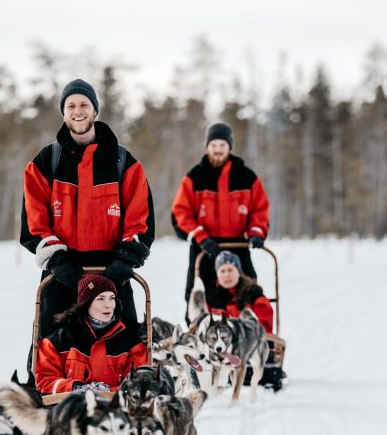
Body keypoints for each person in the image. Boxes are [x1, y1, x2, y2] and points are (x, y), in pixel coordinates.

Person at [20, 78, 154, 338]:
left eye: (84, 104)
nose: (77, 111)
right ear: (63, 112)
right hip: (62, 276)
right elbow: (34, 221)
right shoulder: (46, 162)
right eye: (70, 106)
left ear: (95, 110)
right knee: (51, 350)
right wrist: (57, 261)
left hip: (113, 276)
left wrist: (123, 262)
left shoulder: (123, 162)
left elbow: (140, 220)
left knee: (124, 351)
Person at [171, 121, 270, 310]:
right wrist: (201, 237)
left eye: (222, 145)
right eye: (213, 145)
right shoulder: (195, 177)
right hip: (205, 248)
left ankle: (248, 328)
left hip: (238, 246)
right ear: (207, 147)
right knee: (199, 295)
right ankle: (199, 330)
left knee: (248, 291)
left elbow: (260, 209)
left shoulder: (246, 176)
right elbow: (180, 211)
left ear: (229, 147)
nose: (217, 150)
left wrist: (256, 232)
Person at [35, 275, 148, 395]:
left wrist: (108, 392)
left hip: (117, 409)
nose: (108, 305)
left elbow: (140, 382)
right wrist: (76, 388)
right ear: (86, 304)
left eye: (112, 298)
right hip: (73, 408)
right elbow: (44, 381)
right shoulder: (58, 341)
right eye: (100, 299)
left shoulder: (131, 340)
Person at [207, 250, 274, 334]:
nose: (226, 275)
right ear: (217, 275)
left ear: (239, 273)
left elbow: (264, 327)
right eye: (222, 271)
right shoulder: (212, 297)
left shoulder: (253, 294)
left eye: (230, 270)